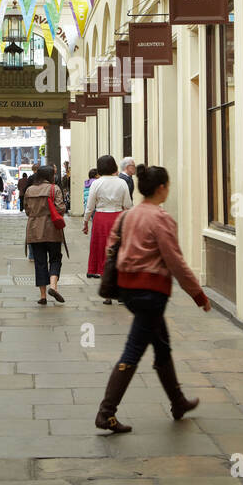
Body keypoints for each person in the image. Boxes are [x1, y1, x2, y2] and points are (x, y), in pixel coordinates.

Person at [95, 164, 210, 434]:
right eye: (168, 185)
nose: (168, 189)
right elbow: (175, 261)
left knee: (161, 344)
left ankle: (178, 401)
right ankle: (106, 412)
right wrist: (198, 294)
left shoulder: (127, 216)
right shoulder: (161, 219)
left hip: (128, 290)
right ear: (161, 188)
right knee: (133, 350)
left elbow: (112, 247)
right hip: (151, 293)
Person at [84, 155, 132, 296]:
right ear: (114, 167)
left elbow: (90, 206)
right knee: (119, 251)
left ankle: (107, 291)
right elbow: (128, 205)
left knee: (102, 250)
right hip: (117, 217)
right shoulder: (122, 183)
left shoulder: (96, 183)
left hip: (100, 218)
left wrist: (85, 222)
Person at [24, 165, 66, 305]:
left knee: (40, 262)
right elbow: (60, 208)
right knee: (55, 258)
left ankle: (43, 296)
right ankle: (53, 286)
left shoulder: (29, 190)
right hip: (52, 229)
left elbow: (27, 211)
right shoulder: (54, 189)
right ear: (50, 176)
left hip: (34, 230)